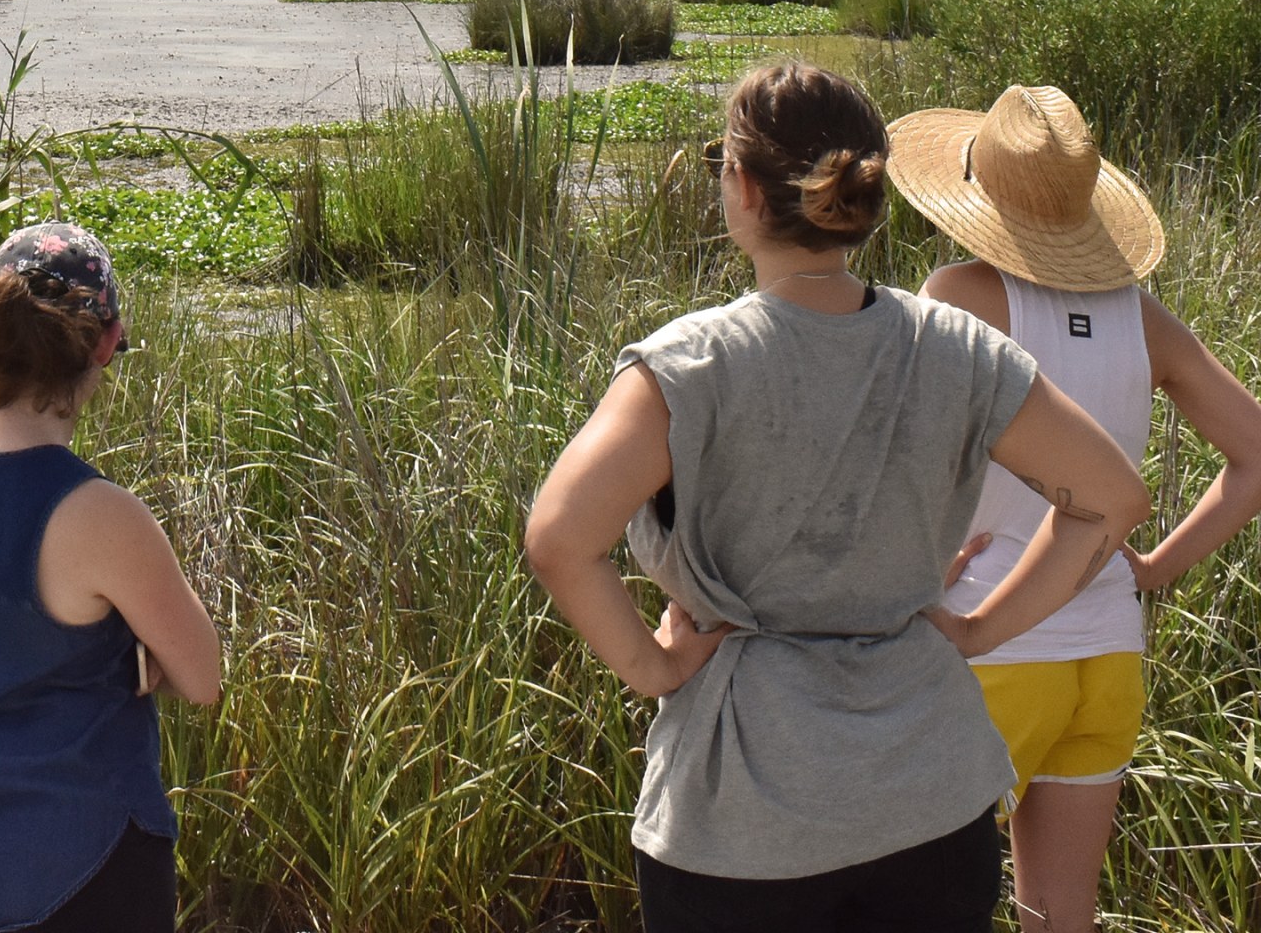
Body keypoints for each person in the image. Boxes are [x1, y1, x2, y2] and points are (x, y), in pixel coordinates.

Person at [525, 63, 1147, 933]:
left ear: (740, 187)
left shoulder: (689, 366)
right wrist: (976, 631)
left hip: (743, 818)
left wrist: (654, 668)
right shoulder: (957, 347)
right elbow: (1113, 499)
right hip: (930, 802)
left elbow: (559, 538)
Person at [895, 83, 1261, 933]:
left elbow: (896, 463)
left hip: (988, 642)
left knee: (917, 907)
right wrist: (1156, 567)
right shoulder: (1142, 317)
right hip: (1106, 657)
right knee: (1062, 918)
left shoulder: (956, 297)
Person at [0, 222, 221, 933]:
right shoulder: (99, 513)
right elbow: (202, 677)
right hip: (88, 861)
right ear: (105, 345)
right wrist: (137, 661)